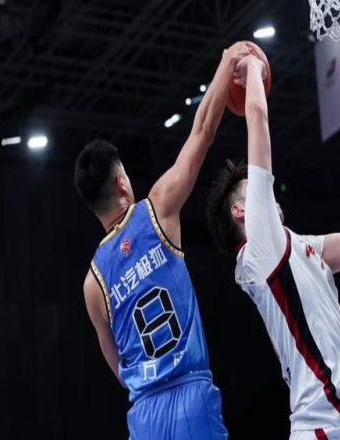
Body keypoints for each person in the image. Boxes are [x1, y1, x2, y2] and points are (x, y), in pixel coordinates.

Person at [206, 50, 340, 439]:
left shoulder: (297, 246)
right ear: (241, 211)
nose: (268, 193)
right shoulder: (260, 251)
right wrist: (253, 66)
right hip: (323, 424)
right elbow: (257, 117)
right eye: (256, 190)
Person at [74, 42, 254, 439]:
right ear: (121, 181)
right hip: (189, 394)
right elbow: (202, 131)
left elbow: (118, 367)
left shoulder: (92, 284)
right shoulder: (157, 210)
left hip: (144, 415)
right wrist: (226, 63)